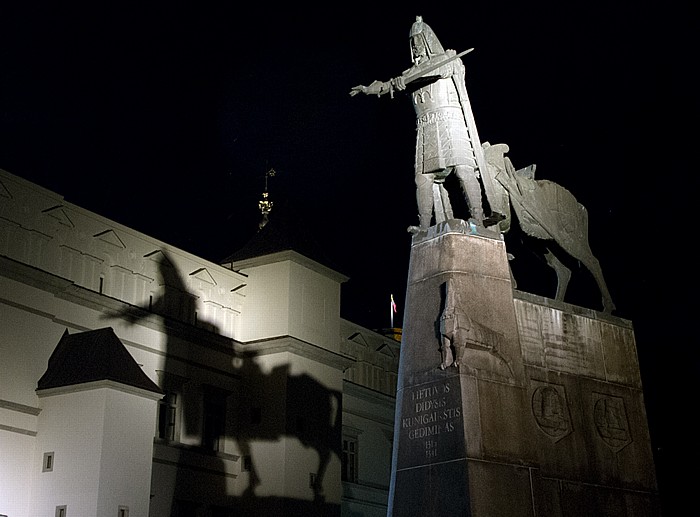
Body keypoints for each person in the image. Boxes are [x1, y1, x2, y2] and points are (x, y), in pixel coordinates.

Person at [351, 16, 488, 231]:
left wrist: (407, 78)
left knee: (463, 169)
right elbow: (387, 86)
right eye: (412, 43)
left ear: (428, 41)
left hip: (450, 123)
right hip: (426, 126)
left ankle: (477, 219)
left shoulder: (448, 60)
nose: (416, 46)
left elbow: (435, 70)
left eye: (419, 41)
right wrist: (370, 89)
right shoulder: (407, 75)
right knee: (423, 177)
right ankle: (425, 225)